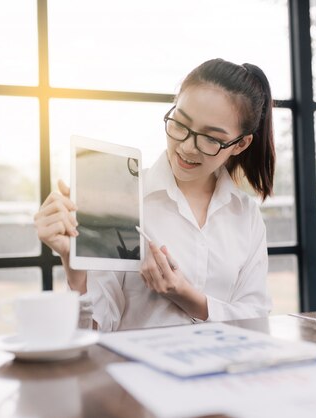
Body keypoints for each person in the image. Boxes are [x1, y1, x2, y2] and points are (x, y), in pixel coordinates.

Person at [34, 58, 276, 331]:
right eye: (180, 124)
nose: (187, 147)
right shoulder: (123, 202)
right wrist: (74, 266)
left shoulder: (245, 214)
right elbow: (96, 332)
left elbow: (256, 322)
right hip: (136, 372)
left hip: (222, 371)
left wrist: (186, 296)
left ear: (240, 144)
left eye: (210, 138)